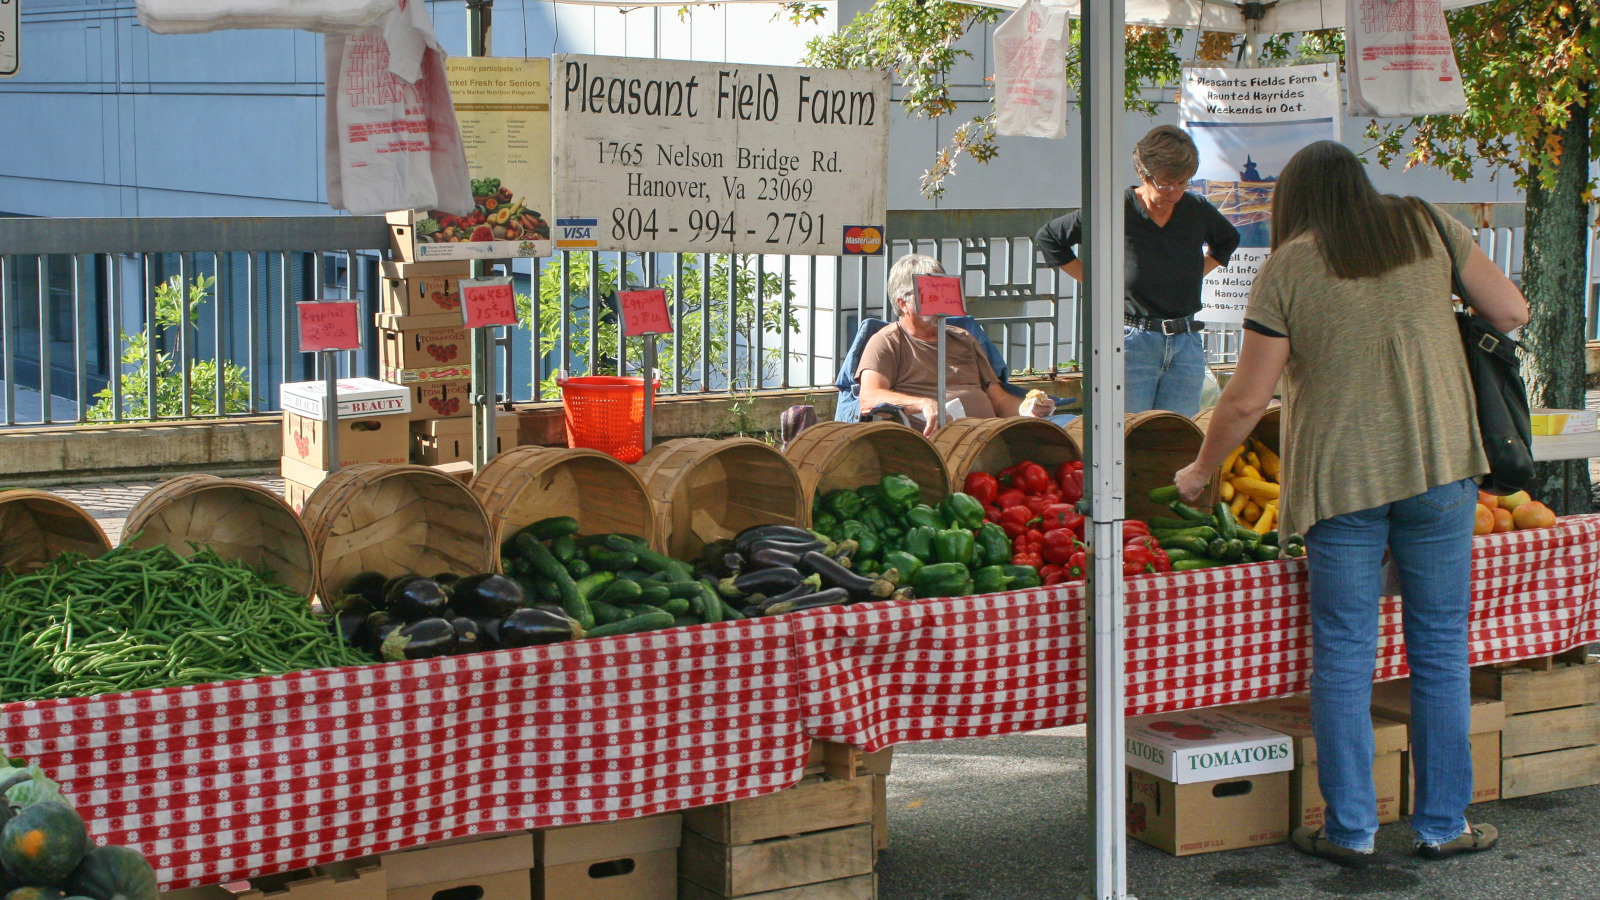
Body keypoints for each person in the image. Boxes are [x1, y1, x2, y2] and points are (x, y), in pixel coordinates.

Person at [1172, 141, 1529, 867]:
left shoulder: (1289, 264)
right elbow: (1511, 309)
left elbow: (1245, 399)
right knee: (1438, 648)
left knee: (1342, 654)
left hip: (1341, 481)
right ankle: (1441, 825)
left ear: (1295, 202)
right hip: (1439, 467)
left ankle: (1352, 831)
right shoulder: (1428, 226)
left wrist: (1201, 469)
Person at [1035, 125, 1240, 417]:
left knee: (1176, 436)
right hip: (1132, 340)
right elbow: (1050, 237)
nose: (1175, 193)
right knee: (1125, 434)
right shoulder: (1115, 208)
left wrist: (1195, 272)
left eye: (1183, 183)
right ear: (1144, 175)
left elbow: (1227, 241)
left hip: (1185, 340)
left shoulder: (1196, 208)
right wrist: (1094, 283)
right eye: (1167, 184)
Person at [857, 254, 1055, 436]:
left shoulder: (963, 338)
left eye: (943, 291)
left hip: (988, 437)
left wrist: (1029, 409)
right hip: (934, 444)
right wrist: (921, 403)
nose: (939, 301)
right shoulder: (888, 342)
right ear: (903, 303)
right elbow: (869, 398)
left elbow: (999, 399)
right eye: (929, 293)